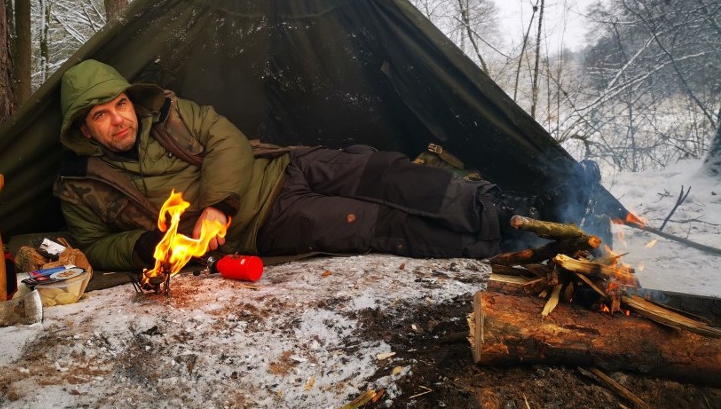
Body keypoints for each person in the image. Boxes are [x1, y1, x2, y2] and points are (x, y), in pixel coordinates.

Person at [54, 60, 551, 271]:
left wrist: (217, 206)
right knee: (374, 223)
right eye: (101, 115)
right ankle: (508, 244)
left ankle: (510, 211)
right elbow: (96, 248)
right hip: (266, 223)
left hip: (282, 166)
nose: (117, 119)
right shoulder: (84, 187)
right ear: (85, 130)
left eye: (118, 104)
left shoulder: (170, 111)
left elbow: (228, 141)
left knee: (384, 172)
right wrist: (147, 244)